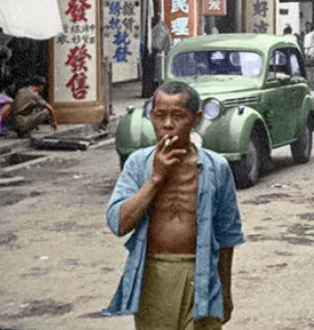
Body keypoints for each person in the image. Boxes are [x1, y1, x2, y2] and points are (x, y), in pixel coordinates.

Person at [103, 81, 244, 329]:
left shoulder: (217, 167)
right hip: (154, 274)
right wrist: (156, 178)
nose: (167, 125)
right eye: (160, 116)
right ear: (151, 117)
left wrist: (226, 291)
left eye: (178, 116)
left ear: (196, 119)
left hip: (204, 274)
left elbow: (227, 235)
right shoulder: (138, 164)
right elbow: (119, 222)